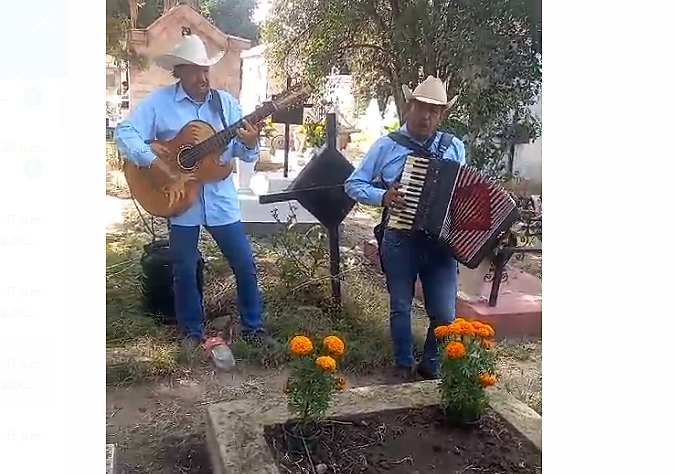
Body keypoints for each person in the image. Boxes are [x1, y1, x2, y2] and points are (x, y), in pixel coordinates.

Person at [115, 32, 265, 358]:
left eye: (206, 69)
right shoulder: (160, 103)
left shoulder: (225, 105)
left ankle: (254, 329)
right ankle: (191, 332)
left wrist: (251, 144)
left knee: (244, 263)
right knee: (183, 268)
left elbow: (243, 149)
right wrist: (154, 163)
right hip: (180, 199)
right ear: (179, 71)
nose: (203, 76)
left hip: (221, 200)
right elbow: (124, 132)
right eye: (195, 70)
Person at [344, 76, 466, 381]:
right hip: (400, 238)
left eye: (434, 111)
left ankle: (430, 364)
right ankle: (401, 364)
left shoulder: (455, 147)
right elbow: (353, 184)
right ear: (409, 107)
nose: (426, 116)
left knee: (445, 314)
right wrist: (383, 196)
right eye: (421, 107)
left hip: (441, 243)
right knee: (401, 306)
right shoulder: (387, 146)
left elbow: (462, 190)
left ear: (441, 115)